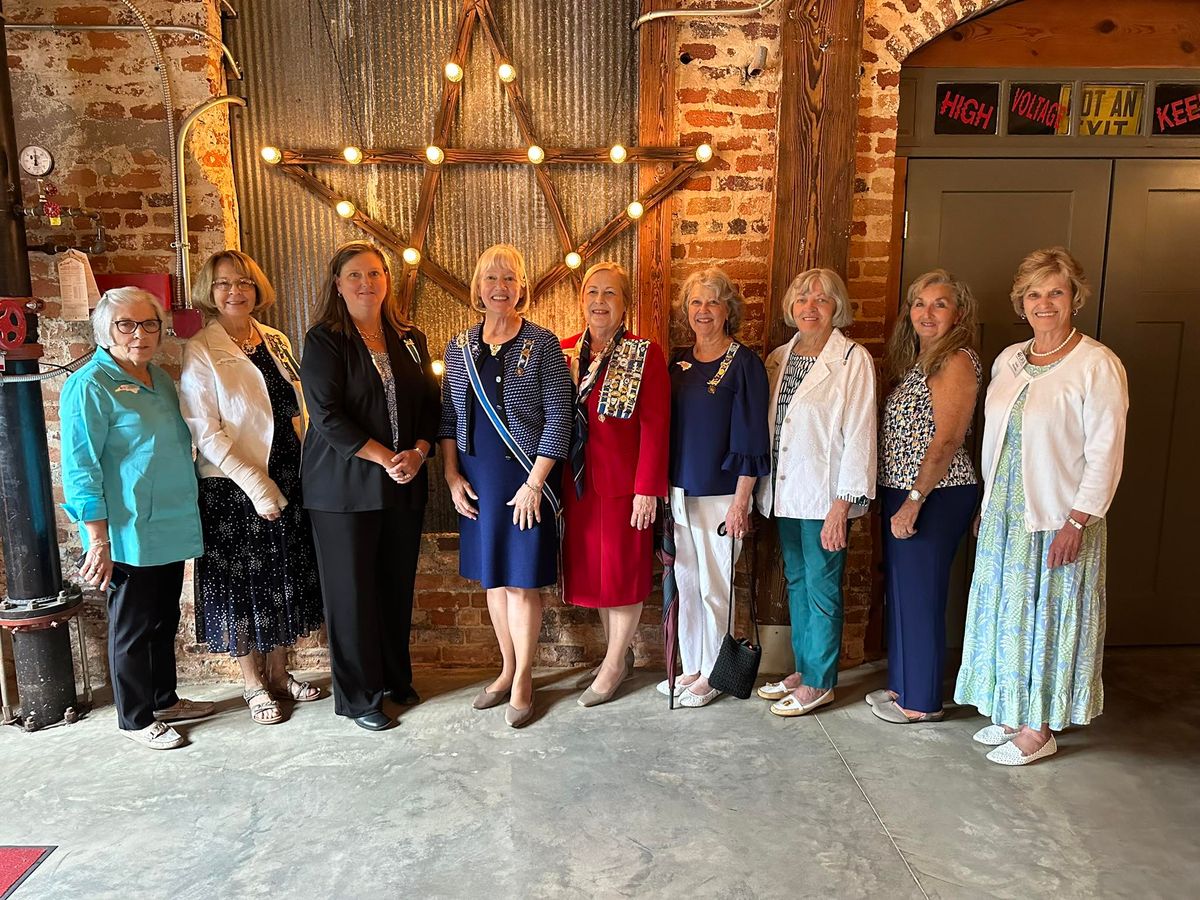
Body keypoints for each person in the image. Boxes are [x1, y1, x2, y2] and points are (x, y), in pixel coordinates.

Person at [955, 247, 1128, 765]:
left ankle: (1040, 726)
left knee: (1049, 616)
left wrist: (1080, 519)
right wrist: (988, 500)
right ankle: (1011, 710)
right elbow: (998, 439)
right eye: (1034, 293)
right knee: (1006, 612)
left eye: (1056, 292)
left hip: (1059, 516)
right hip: (1006, 513)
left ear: (1075, 297)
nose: (1044, 302)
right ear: (1021, 301)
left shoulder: (1096, 364)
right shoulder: (1010, 358)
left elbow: (1106, 450)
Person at [60, 287, 213, 750]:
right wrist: (97, 540)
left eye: (149, 324)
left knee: (163, 617)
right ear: (105, 331)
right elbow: (80, 467)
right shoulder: (89, 386)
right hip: (127, 530)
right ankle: (135, 716)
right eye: (126, 325)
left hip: (168, 521)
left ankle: (164, 698)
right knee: (132, 625)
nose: (139, 334)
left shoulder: (159, 379)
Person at [179, 250, 324, 726]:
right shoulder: (201, 347)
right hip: (234, 486)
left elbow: (295, 410)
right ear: (210, 292)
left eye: (243, 282)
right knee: (241, 588)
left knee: (283, 581)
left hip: (288, 474)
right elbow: (206, 431)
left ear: (257, 287)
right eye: (223, 284)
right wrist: (257, 487)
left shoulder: (275, 340)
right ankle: (252, 683)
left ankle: (280, 674)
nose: (235, 291)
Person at [300, 241, 440, 732]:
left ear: (387, 281)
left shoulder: (410, 338)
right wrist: (386, 458)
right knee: (351, 594)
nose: (367, 283)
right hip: (343, 489)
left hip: (403, 483)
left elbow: (429, 405)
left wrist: (419, 452)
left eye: (376, 273)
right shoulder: (324, 339)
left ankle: (394, 679)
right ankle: (360, 696)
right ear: (338, 284)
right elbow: (326, 415)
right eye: (355, 275)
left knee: (394, 587)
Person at [439, 244, 574, 728]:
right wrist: (452, 476)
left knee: (520, 583)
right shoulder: (459, 347)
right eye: (491, 278)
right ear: (478, 287)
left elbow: (560, 418)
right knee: (493, 581)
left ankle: (523, 680)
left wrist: (537, 482)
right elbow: (449, 418)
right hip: (476, 480)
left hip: (523, 479)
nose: (500, 288)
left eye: (510, 279)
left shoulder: (543, 343)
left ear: (522, 288)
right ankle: (506, 667)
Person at [754, 268, 876, 717]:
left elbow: (860, 432)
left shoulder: (851, 359)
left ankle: (820, 680)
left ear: (836, 308)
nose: (811, 307)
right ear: (791, 306)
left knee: (823, 587)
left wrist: (842, 505)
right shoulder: (779, 357)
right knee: (799, 582)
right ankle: (805, 669)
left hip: (826, 497)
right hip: (785, 491)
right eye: (803, 299)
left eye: (821, 300)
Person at [870, 269, 980, 725]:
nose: (927, 312)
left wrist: (914, 498)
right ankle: (902, 685)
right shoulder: (921, 359)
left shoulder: (955, 359)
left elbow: (948, 439)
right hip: (906, 489)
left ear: (958, 313)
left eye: (939, 304)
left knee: (921, 594)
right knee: (902, 591)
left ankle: (921, 702)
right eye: (919, 303)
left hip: (936, 492)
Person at [658, 267, 770, 708]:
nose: (703, 311)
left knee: (714, 586)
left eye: (712, 302)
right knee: (685, 581)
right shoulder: (679, 362)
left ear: (728, 310)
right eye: (695, 303)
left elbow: (752, 439)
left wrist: (742, 501)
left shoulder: (744, 364)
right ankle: (691, 665)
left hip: (723, 494)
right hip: (680, 491)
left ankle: (715, 673)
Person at [561, 262, 669, 707]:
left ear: (625, 305)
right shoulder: (563, 350)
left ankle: (612, 665)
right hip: (577, 484)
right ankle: (616, 657)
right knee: (599, 577)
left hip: (625, 487)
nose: (599, 301)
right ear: (582, 300)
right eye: (592, 292)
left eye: (610, 294)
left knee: (622, 575)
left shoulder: (644, 352)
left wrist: (647, 488)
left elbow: (656, 424)